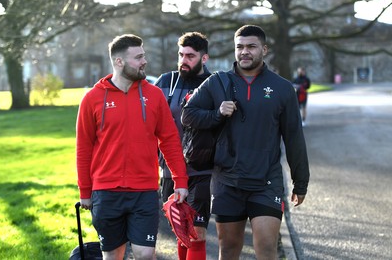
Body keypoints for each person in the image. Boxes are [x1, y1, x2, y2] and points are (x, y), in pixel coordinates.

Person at [181, 25, 310, 260]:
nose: (244, 52)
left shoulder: (282, 88)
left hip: (266, 181)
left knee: (267, 247)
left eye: (251, 46)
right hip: (227, 181)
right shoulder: (218, 82)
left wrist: (301, 181)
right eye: (239, 47)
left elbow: (294, 138)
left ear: (264, 49)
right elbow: (188, 115)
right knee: (228, 249)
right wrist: (216, 114)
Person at [76, 34, 189, 260]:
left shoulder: (154, 95)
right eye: (138, 57)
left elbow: (169, 141)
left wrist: (180, 180)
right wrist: (85, 191)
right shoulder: (93, 98)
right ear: (119, 62)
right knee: (112, 256)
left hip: (144, 191)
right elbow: (83, 148)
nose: (144, 61)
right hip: (106, 192)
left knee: (145, 254)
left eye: (143, 55)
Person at [155, 31, 212, 260]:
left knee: (197, 233)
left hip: (202, 169)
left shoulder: (214, 84)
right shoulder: (165, 82)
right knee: (181, 232)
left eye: (190, 56)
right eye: (180, 54)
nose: (183, 60)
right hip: (169, 169)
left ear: (204, 58)